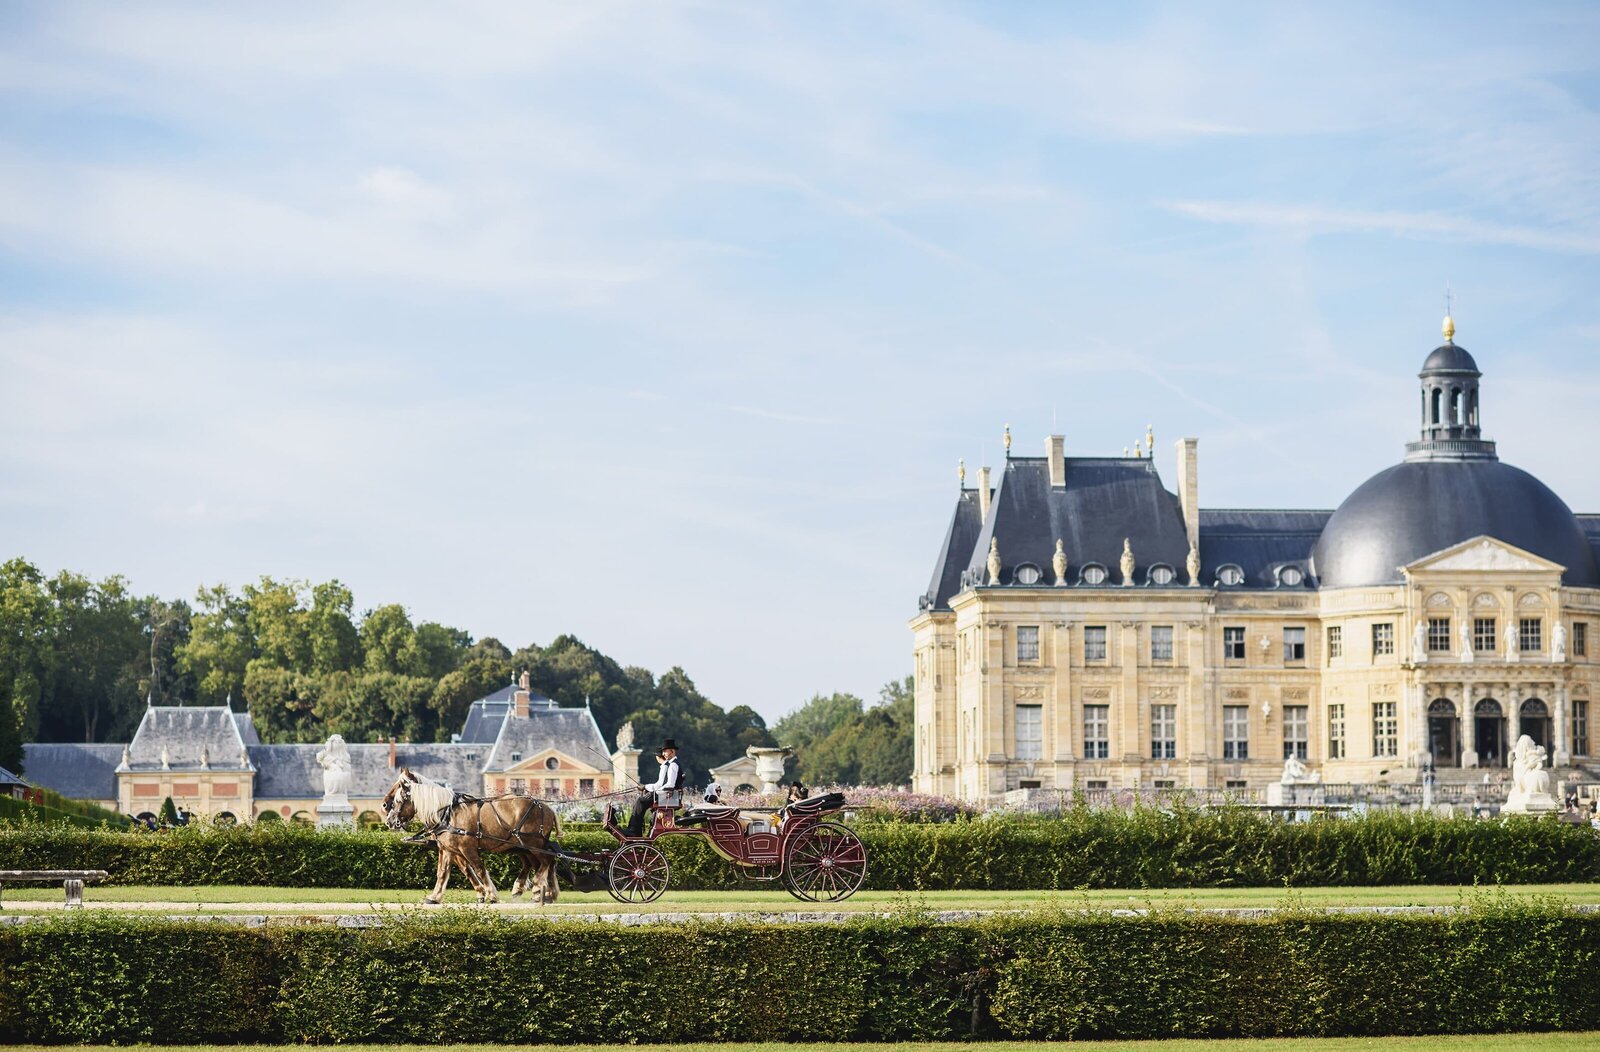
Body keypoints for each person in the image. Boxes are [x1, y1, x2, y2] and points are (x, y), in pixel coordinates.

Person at [624, 739, 682, 837]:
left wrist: (653, 791)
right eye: (663, 752)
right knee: (641, 801)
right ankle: (635, 830)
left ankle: (634, 830)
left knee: (640, 801)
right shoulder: (672, 764)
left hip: (670, 796)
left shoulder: (673, 765)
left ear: (672, 751)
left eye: (665, 751)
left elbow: (670, 785)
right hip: (670, 795)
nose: (663, 754)